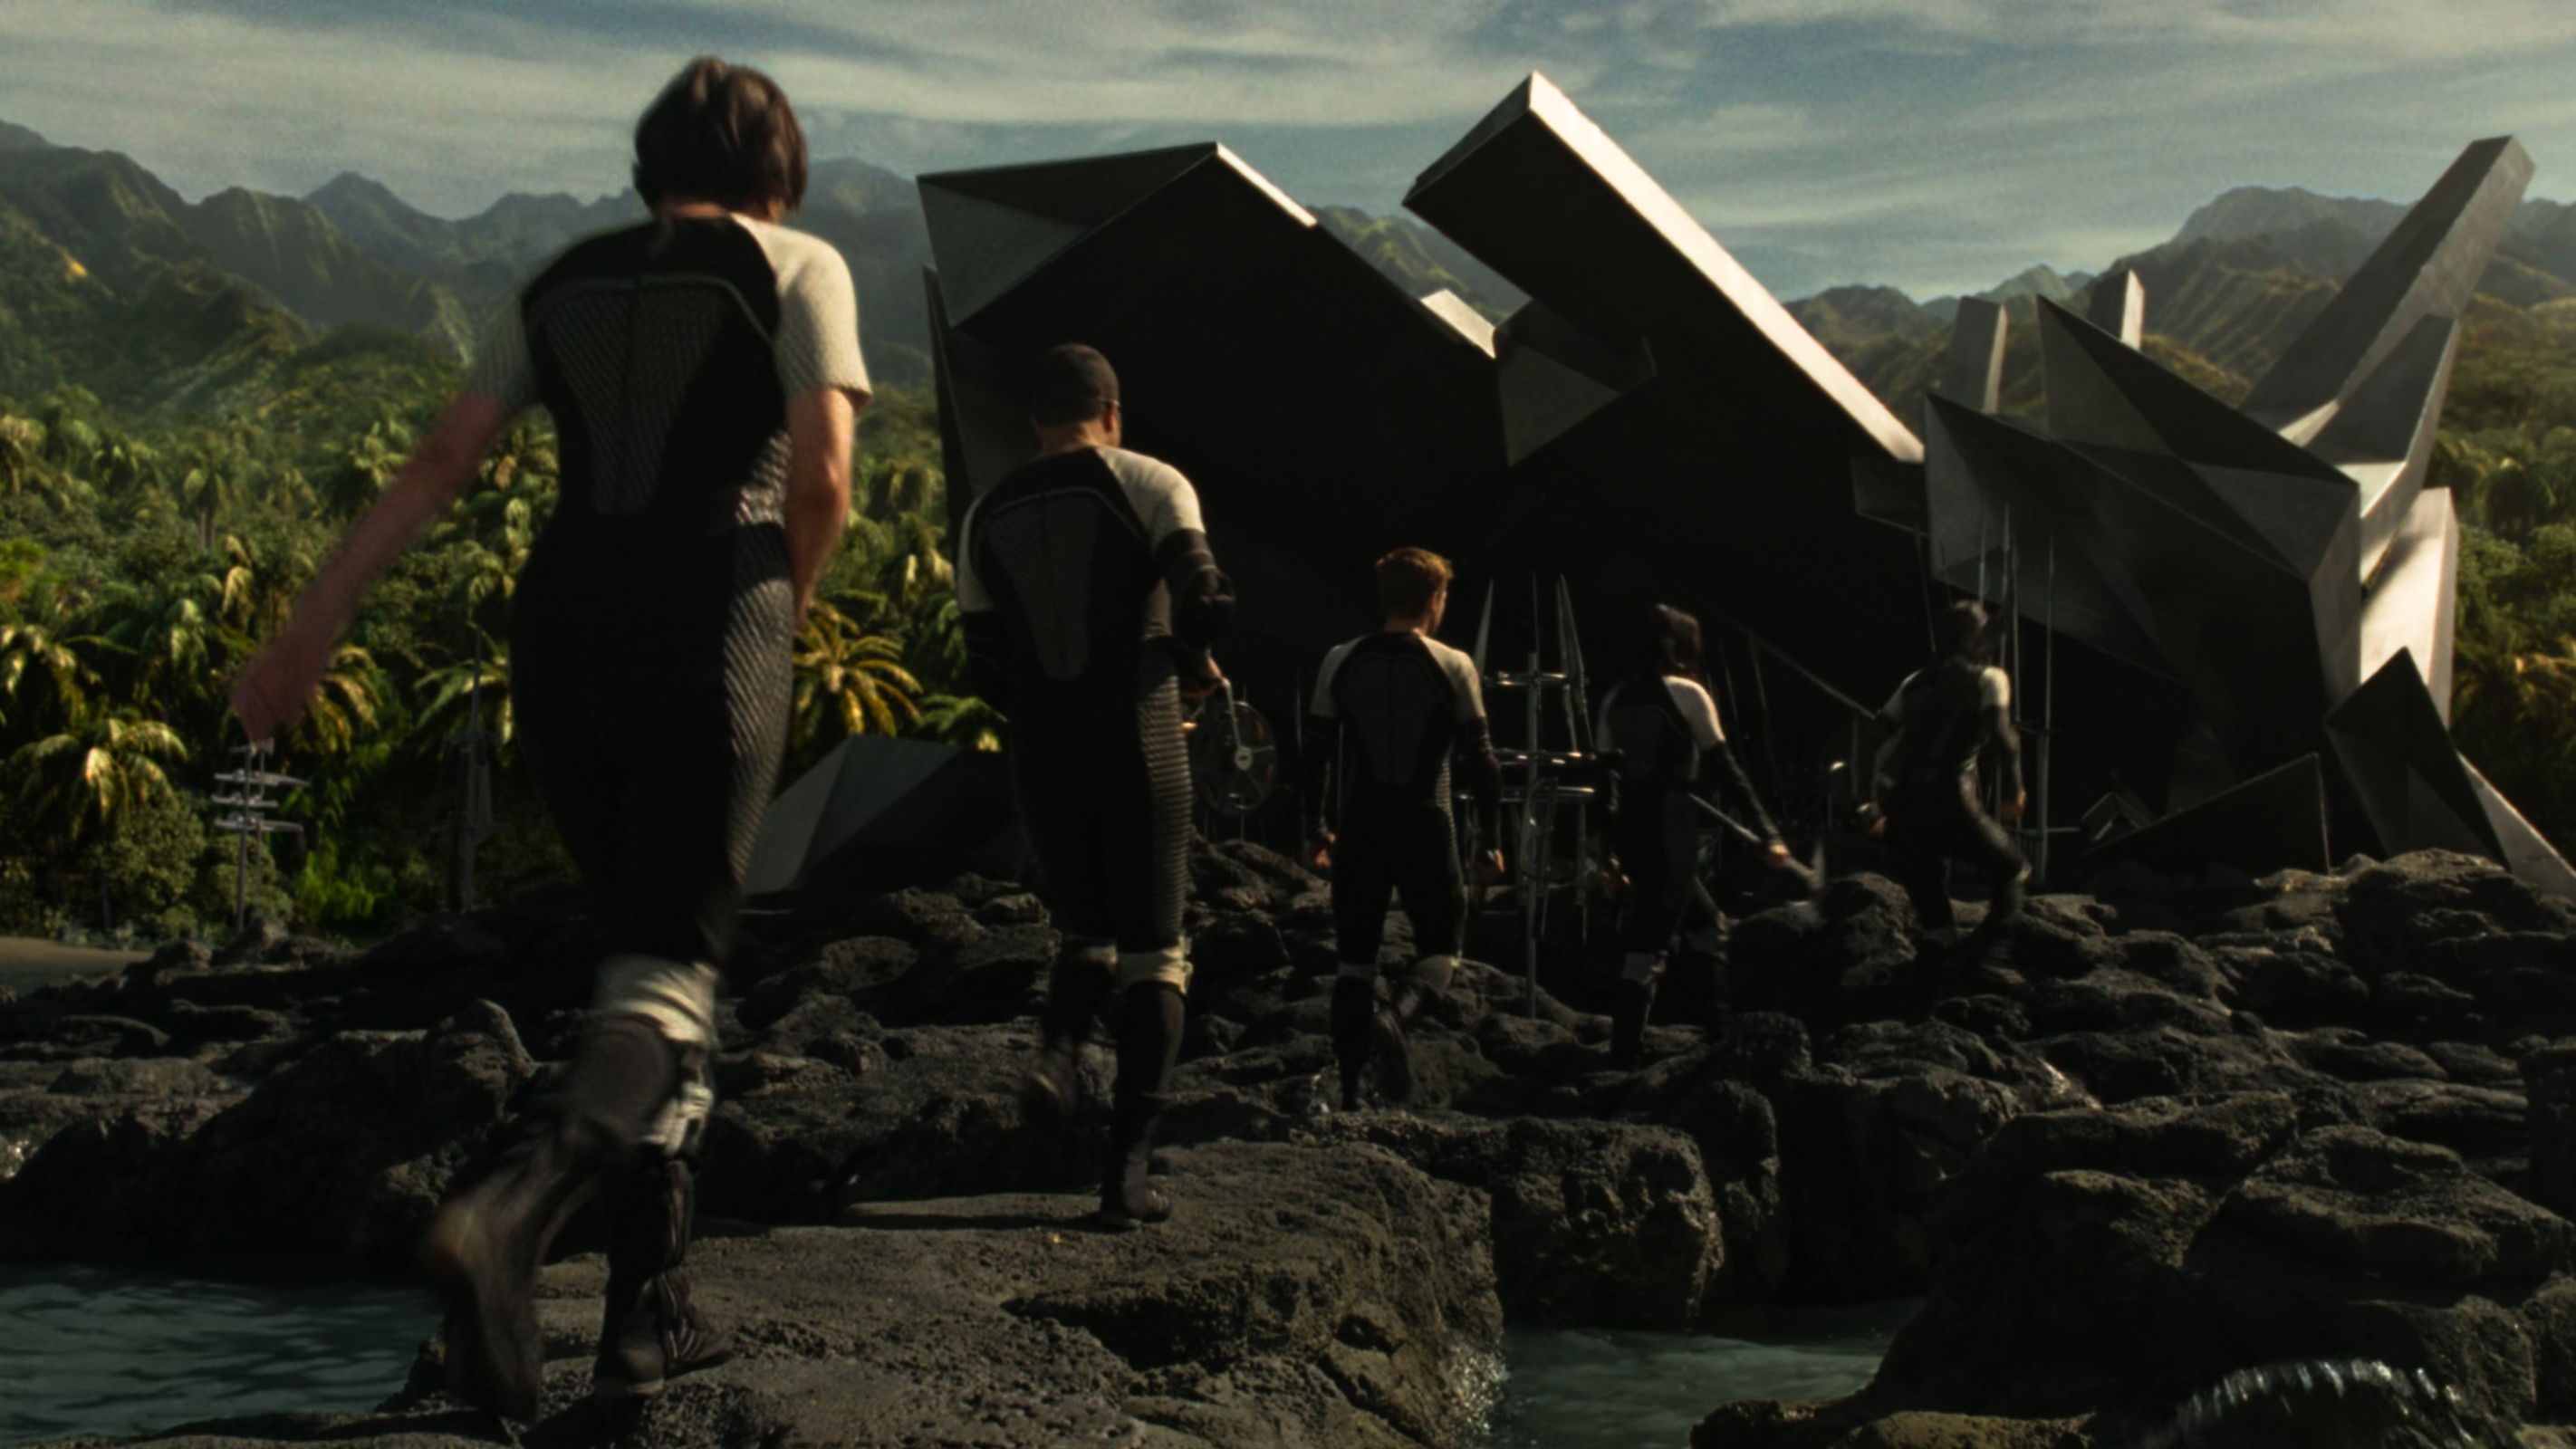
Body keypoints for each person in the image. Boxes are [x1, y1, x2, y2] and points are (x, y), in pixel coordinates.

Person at [229, 57, 870, 1418]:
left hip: (562, 639)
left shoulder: (560, 279)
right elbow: (821, 474)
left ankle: (648, 1316)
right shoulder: (798, 266)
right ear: (779, 169)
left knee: (644, 966)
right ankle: (511, 1215)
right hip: (712, 622)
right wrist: (789, 606)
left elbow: (440, 463)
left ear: (651, 162)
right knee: (668, 976)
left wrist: (306, 632)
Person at [955, 343, 1233, 1231]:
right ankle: (1127, 1178)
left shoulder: (984, 512)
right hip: (1137, 734)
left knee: (1085, 930)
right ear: (1111, 412)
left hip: (1041, 749)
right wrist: (1194, 661)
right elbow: (1201, 593)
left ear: (1035, 419)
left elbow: (985, 665)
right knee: (1156, 950)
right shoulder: (1149, 479)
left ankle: (1058, 1054)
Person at [1301, 548, 1504, 1111]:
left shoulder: (1340, 659)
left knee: (1354, 963)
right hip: (1426, 825)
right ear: (1435, 600)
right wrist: (1490, 840)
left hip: (1361, 826)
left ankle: (1349, 1095)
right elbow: (1483, 762)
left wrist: (1316, 828)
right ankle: (1396, 1018)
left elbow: (1314, 755)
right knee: (1443, 950)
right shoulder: (1453, 663)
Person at [1595, 605, 1788, 1070]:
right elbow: (1727, 770)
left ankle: (1716, 1038)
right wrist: (1768, 832)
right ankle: (1624, 1059)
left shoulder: (1614, 699)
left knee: (1707, 926)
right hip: (1671, 829)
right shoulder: (1688, 694)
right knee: (1647, 948)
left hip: (1634, 832)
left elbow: (1605, 787)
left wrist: (1610, 855)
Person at [1871, 599, 2027, 957]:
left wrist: (1869, 804)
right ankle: (1991, 954)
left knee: (1934, 910)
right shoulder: (1990, 678)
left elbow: (1871, 740)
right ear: (1974, 638)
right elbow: (2004, 736)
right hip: (1952, 799)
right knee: (2012, 868)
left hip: (1904, 808)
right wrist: (2016, 787)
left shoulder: (1913, 682)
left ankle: (1935, 969)